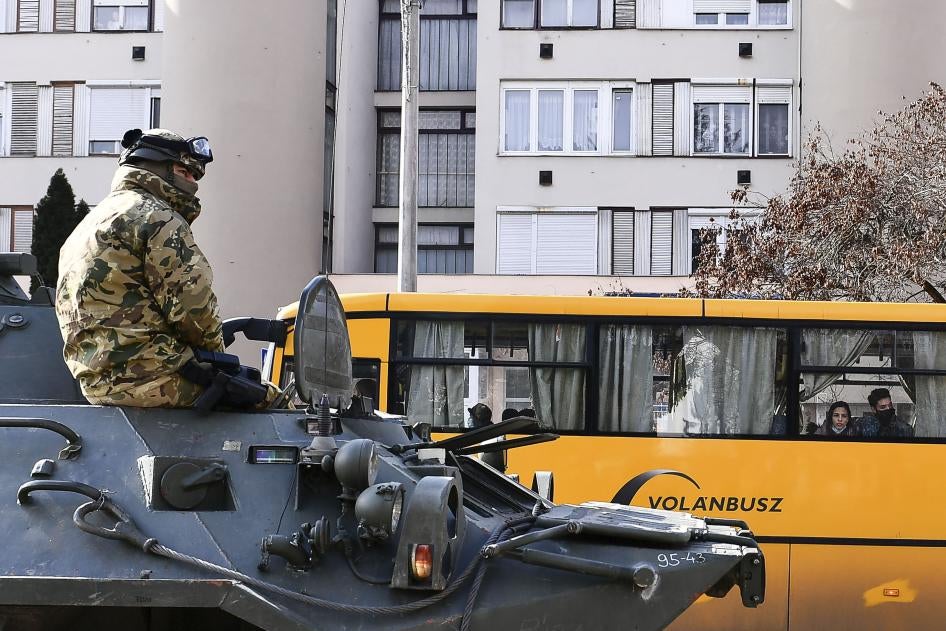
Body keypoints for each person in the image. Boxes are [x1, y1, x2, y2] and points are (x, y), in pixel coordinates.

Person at [56, 128, 227, 407]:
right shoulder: (157, 217)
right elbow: (194, 311)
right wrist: (220, 359)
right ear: (158, 167)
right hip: (155, 378)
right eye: (186, 172)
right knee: (273, 401)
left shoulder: (88, 224)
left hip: (98, 386)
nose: (193, 182)